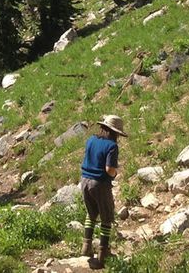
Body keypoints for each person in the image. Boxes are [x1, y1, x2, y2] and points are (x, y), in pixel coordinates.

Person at [79, 114, 126, 269]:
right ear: (115, 132)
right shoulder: (112, 146)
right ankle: (102, 253)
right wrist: (115, 174)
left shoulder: (91, 140)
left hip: (84, 180)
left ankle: (86, 247)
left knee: (91, 214)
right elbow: (109, 169)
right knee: (106, 217)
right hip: (99, 183)